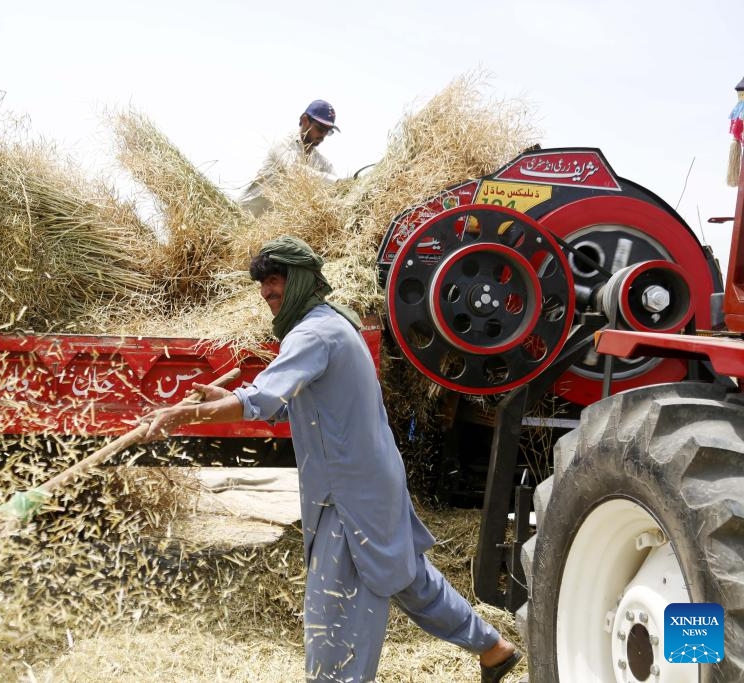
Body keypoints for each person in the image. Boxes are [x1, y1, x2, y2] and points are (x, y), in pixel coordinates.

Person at [143, 236, 522, 683]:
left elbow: (261, 400)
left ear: (300, 279)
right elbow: (293, 405)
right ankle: (494, 649)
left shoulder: (312, 334)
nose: (266, 291)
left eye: (274, 279)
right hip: (372, 479)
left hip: (349, 495)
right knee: (406, 577)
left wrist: (184, 415)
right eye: (262, 283)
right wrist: (227, 397)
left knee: (335, 612)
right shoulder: (333, 324)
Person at [239, 100, 340, 217]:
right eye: (320, 129)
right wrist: (335, 182)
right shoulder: (284, 144)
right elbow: (295, 171)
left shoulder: (321, 162)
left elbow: (339, 186)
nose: (322, 136)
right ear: (304, 120)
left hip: (274, 228)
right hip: (246, 220)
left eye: (327, 131)